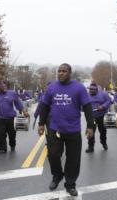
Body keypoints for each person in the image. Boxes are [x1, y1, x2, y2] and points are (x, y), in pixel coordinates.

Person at [38, 63, 94, 197]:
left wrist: (90, 126)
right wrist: (41, 124)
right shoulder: (51, 88)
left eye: (64, 71)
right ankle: (57, 176)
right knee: (54, 155)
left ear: (70, 73)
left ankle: (70, 184)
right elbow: (44, 106)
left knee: (73, 159)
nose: (61, 73)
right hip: (55, 128)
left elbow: (87, 107)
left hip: (73, 130)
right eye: (59, 71)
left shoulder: (79, 88)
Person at [0, 81, 29, 153]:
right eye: (2, 86)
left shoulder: (12, 93)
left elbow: (18, 103)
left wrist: (23, 111)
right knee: (1, 134)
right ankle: (2, 148)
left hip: (11, 118)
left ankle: (12, 145)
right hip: (0, 119)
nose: (5, 87)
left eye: (5, 86)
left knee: (12, 134)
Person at [85, 83, 111, 153]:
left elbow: (109, 101)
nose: (90, 91)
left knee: (103, 131)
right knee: (90, 132)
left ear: (96, 90)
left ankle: (103, 142)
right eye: (90, 89)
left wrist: (103, 106)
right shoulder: (86, 95)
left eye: (92, 89)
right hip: (91, 117)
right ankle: (90, 146)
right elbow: (82, 104)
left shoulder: (103, 94)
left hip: (101, 116)